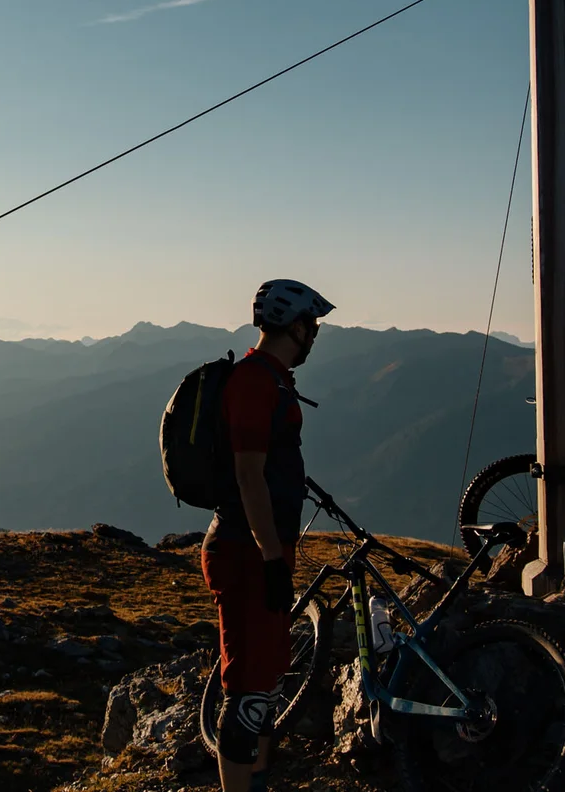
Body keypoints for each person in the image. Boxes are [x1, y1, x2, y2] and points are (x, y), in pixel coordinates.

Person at [203, 278, 331, 792]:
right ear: (295, 326)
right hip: (247, 552)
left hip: (262, 549)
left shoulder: (273, 379)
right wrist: (273, 556)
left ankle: (256, 781)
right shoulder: (256, 382)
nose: (315, 336)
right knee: (249, 690)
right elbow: (248, 474)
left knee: (266, 682)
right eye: (313, 326)